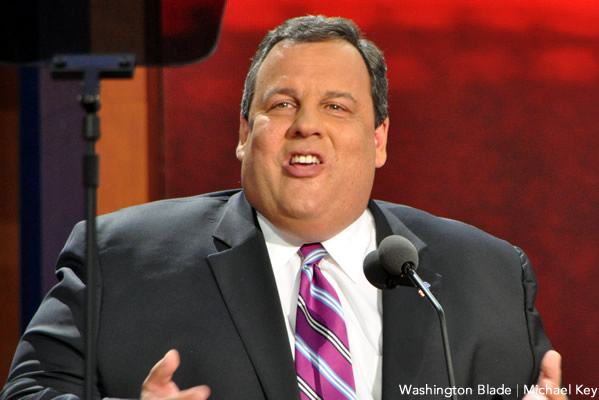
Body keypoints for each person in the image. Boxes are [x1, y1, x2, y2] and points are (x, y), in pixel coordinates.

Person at [1, 15, 565, 400]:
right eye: (283, 103)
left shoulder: (487, 275)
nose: (307, 125)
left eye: (337, 107)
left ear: (379, 139)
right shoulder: (121, 257)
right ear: (246, 133)